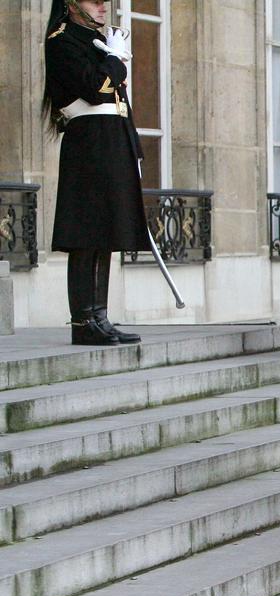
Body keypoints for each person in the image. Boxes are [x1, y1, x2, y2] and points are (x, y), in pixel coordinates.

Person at [43, 0, 147, 346]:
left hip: (111, 139)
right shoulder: (62, 41)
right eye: (94, 1)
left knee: (106, 231)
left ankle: (100, 315)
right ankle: (83, 320)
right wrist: (115, 60)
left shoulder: (95, 42)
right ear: (72, 5)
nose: (103, 7)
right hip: (88, 143)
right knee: (86, 233)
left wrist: (133, 147)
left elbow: (119, 103)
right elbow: (97, 86)